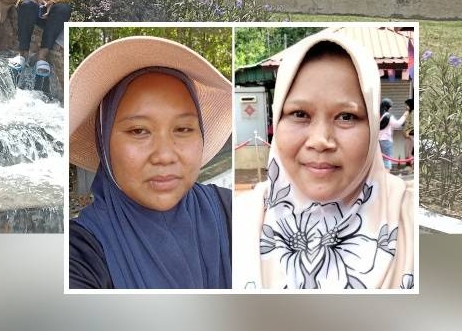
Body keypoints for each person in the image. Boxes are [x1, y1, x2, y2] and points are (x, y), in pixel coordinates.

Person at [234, 31, 415, 289]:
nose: (320, 140)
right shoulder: (236, 222)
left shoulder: (410, 222)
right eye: (299, 114)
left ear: (373, 126)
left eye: (346, 117)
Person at [68, 36, 233, 289]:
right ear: (104, 141)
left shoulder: (233, 212)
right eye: (138, 131)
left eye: (183, 129)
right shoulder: (78, 255)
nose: (165, 155)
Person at [378, 97, 409, 171]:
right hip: (386, 141)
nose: (391, 108)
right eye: (390, 107)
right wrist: (405, 115)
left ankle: (382, 177)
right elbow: (397, 124)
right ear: (387, 107)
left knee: (382, 160)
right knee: (387, 161)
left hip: (380, 140)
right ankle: (386, 178)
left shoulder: (379, 116)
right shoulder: (388, 116)